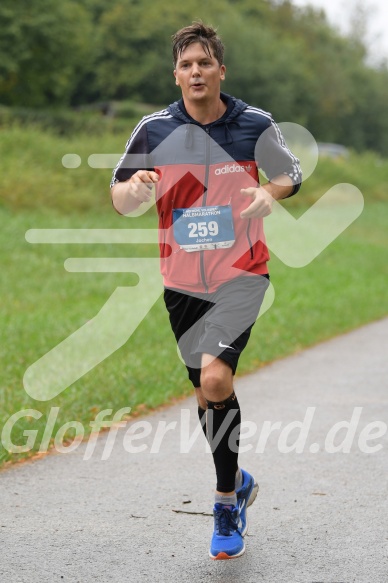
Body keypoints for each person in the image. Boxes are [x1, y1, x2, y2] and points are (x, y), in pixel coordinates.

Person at [110, 22, 302, 560]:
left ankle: (222, 504)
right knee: (205, 391)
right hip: (181, 281)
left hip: (242, 273)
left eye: (205, 63)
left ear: (221, 70)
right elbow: (119, 199)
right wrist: (136, 188)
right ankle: (236, 478)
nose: (196, 72)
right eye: (186, 65)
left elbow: (291, 172)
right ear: (176, 75)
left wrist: (269, 192)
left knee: (217, 377)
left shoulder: (254, 124)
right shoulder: (153, 130)